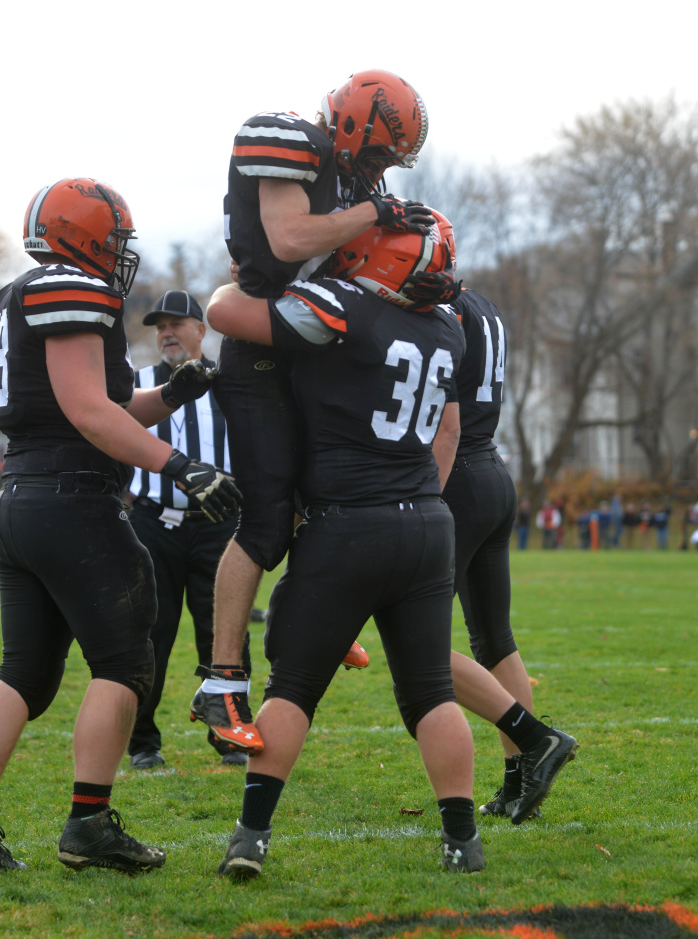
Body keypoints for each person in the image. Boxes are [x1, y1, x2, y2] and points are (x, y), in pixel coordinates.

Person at [0, 178, 241, 876]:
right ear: (89, 237)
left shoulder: (29, 292)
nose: (120, 254)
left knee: (26, 672)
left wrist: (170, 395)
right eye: (116, 239)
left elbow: (98, 405)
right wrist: (180, 465)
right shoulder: (73, 286)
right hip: (72, 503)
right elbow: (87, 412)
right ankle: (90, 821)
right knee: (127, 663)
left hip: (23, 498)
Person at [207, 216, 485, 877]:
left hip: (348, 523)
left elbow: (226, 312)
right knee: (432, 691)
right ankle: (462, 841)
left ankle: (250, 835)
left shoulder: (347, 305)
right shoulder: (449, 326)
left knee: (295, 686)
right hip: (425, 522)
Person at [192, 69, 459, 754]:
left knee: (331, 498)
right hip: (263, 342)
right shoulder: (289, 139)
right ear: (350, 124)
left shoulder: (359, 185)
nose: (379, 172)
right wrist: (373, 215)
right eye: (376, 153)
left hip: (312, 345)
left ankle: (310, 621)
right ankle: (221, 680)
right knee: (267, 519)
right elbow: (286, 242)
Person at [437, 282, 576, 823]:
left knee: (418, 643)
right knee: (495, 639)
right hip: (493, 472)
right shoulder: (484, 304)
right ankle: (521, 783)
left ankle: (536, 741)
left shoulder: (442, 308)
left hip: (457, 477)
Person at [126, 289, 250, 770]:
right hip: (153, 523)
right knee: (149, 633)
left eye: (177, 323)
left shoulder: (229, 385)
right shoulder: (139, 385)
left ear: (202, 329)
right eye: (159, 326)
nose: (166, 333)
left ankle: (230, 733)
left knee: (225, 631)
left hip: (219, 527)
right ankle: (143, 742)